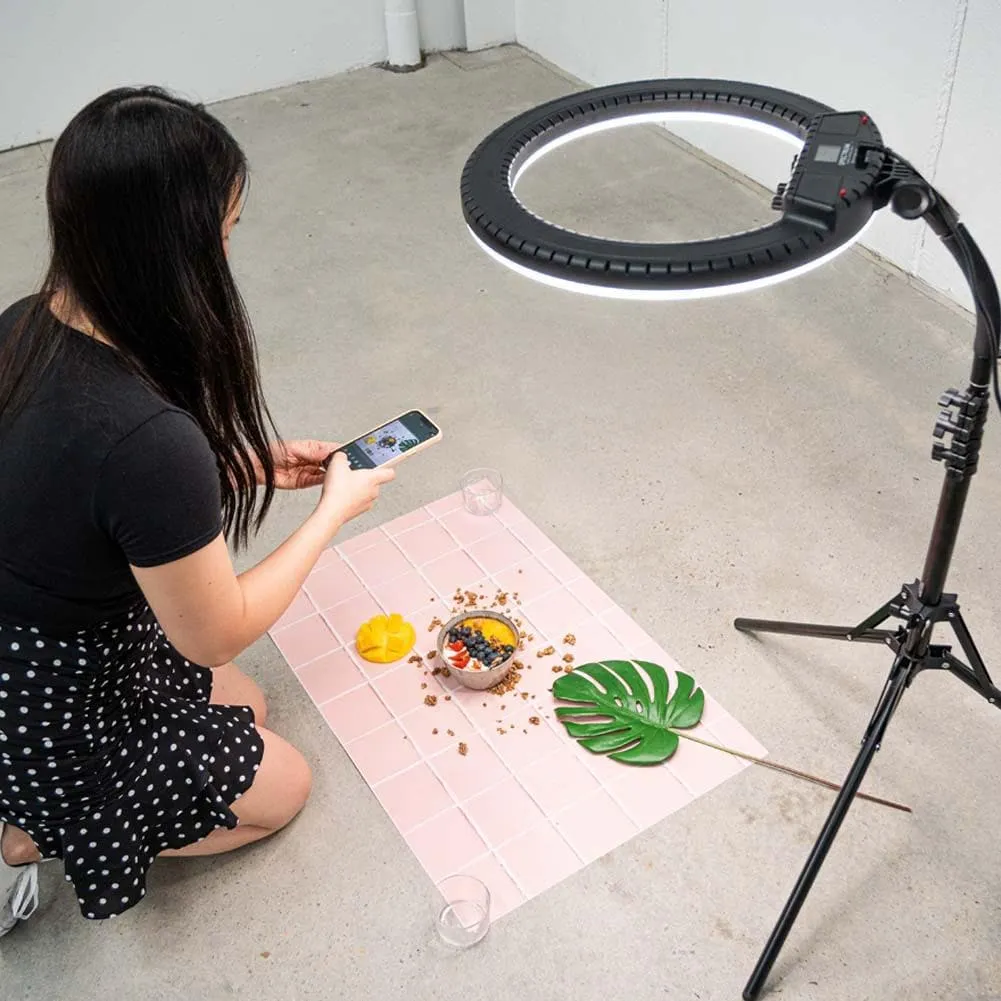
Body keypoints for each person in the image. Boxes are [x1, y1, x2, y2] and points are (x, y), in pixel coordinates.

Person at [0, 86, 394, 932]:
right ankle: (26, 832)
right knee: (284, 785)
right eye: (224, 228)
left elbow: (76, 479)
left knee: (243, 704)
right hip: (45, 702)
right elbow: (212, 632)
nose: (227, 246)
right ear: (167, 246)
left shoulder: (24, 323)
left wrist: (237, 465)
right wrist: (332, 511)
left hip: (34, 638)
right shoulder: (147, 438)